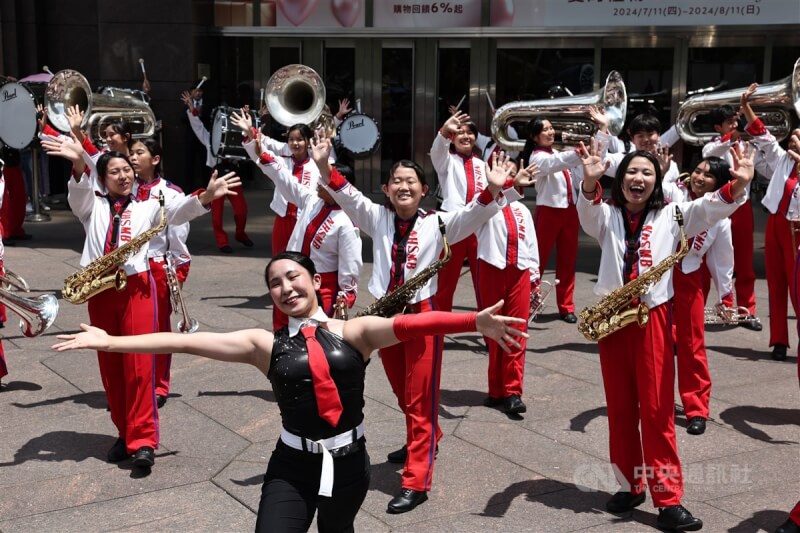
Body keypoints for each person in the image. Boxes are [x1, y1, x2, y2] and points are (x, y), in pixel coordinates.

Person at [52, 250, 528, 532]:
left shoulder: (355, 331)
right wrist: (111, 341)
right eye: (274, 284)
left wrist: (474, 321)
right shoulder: (265, 344)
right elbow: (185, 338)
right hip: (292, 465)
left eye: (292, 277)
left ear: (316, 282)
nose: (284, 287)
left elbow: (413, 324)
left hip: (348, 463)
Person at [312, 129, 524, 513]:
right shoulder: (376, 216)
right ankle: (428, 437)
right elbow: (345, 193)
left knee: (421, 398)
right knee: (400, 391)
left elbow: (475, 212)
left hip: (422, 317)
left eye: (411, 181)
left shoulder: (440, 223)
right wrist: (324, 163)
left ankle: (416, 479)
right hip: (383, 318)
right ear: (387, 189)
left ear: (424, 189)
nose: (403, 186)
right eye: (396, 181)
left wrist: (494, 188)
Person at [577, 138, 754, 532]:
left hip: (651, 318)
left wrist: (737, 185)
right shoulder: (607, 215)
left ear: (657, 181)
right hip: (613, 320)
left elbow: (710, 208)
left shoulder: (674, 213)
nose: (638, 178)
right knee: (621, 410)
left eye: (647, 173)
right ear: (620, 180)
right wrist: (589, 184)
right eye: (631, 172)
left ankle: (668, 500)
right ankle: (629, 485)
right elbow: (587, 215)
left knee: (657, 413)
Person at [42, 134, 240, 470]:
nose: (124, 175)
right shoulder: (92, 205)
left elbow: (178, 212)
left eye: (127, 170)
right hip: (99, 288)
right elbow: (78, 190)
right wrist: (78, 162)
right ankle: (124, 433)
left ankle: (144, 440)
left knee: (139, 366)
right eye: (115, 171)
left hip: (137, 288)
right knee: (112, 367)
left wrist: (206, 196)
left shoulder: (148, 205)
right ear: (102, 179)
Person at [233, 108, 362, 331]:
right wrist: (252, 136)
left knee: (315, 340)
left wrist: (346, 296)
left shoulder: (346, 222)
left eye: (326, 182)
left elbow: (350, 265)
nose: (320, 184)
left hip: (324, 289)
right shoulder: (311, 200)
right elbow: (282, 177)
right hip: (294, 278)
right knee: (283, 334)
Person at [663, 157, 735, 436]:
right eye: (697, 171)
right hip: (658, 275)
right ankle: (655, 400)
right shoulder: (672, 192)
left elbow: (722, 260)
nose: (699, 177)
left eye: (708, 175)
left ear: (719, 183)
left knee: (692, 345)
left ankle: (696, 408)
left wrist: (726, 296)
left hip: (690, 278)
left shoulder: (720, 217)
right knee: (656, 340)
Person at [129, 137, 193, 408]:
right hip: (127, 267)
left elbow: (179, 241)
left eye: (139, 153)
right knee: (129, 329)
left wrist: (177, 275)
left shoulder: (171, 192)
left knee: (157, 330)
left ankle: (158, 385)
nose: (132, 158)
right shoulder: (123, 187)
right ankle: (135, 383)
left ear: (155, 159)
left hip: (157, 267)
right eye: (130, 153)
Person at [473, 158, 539, 415]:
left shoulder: (523, 210)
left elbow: (531, 243)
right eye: (503, 172)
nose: (509, 176)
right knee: (493, 329)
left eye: (512, 172)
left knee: (516, 330)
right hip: (491, 269)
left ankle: (512, 391)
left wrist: (533, 275)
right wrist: (497, 188)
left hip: (519, 272)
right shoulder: (485, 204)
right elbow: (480, 211)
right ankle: (496, 389)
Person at [740, 83, 800, 361]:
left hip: (795, 230)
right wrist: (746, 106)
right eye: (793, 135)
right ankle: (779, 341)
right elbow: (763, 135)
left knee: (797, 287)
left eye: (798, 137)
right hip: (776, 225)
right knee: (776, 285)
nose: (793, 137)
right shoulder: (781, 161)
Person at [701, 102, 767, 329]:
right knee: (706, 262)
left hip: (742, 208)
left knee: (744, 262)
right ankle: (702, 309)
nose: (735, 124)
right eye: (729, 122)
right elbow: (712, 154)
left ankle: (747, 311)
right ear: (718, 126)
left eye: (736, 121)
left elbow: (767, 167)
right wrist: (730, 138)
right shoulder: (711, 147)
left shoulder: (747, 146)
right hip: (717, 207)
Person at [429, 110, 487, 311]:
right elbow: (437, 150)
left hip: (479, 228)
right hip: (453, 225)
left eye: (470, 132)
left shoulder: (481, 164)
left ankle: (490, 337)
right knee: (445, 282)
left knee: (483, 283)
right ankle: (439, 332)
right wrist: (444, 132)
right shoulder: (446, 161)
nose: (465, 136)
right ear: (452, 139)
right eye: (460, 132)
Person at [182, 91, 253, 253]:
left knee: (242, 210)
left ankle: (240, 234)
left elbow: (250, 134)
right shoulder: (209, 138)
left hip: (233, 175)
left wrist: (254, 117)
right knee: (217, 214)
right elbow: (197, 126)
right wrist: (192, 108)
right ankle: (222, 242)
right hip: (217, 176)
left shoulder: (236, 137)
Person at [256, 120, 321, 257]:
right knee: (278, 258)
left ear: (308, 141)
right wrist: (250, 131)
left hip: (304, 219)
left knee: (301, 259)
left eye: (299, 139)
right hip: (282, 218)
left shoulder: (316, 166)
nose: (295, 143)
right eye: (291, 139)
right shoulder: (281, 161)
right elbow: (260, 153)